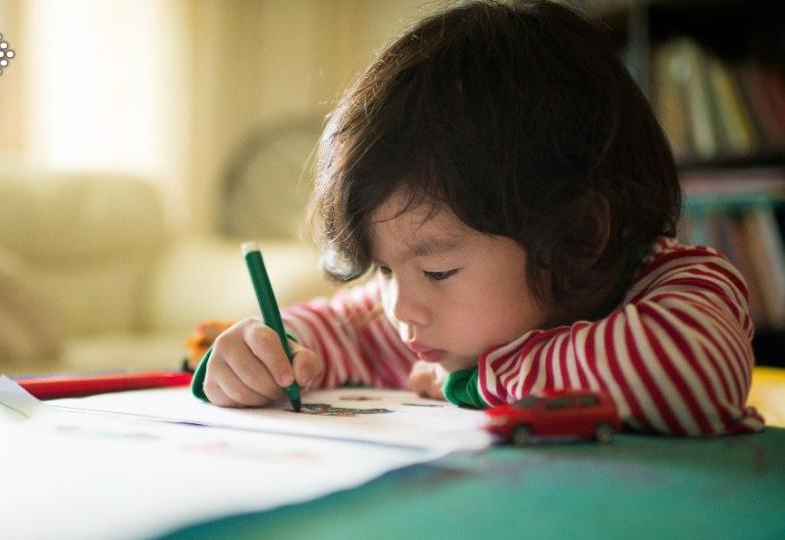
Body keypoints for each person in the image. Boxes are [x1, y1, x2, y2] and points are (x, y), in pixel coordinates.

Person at [190, 0, 764, 436]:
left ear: (580, 236)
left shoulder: (683, 283)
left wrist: (469, 383)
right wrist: (267, 349)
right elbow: (335, 329)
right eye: (386, 271)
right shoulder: (430, 324)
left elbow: (688, 372)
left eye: (437, 272)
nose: (398, 308)